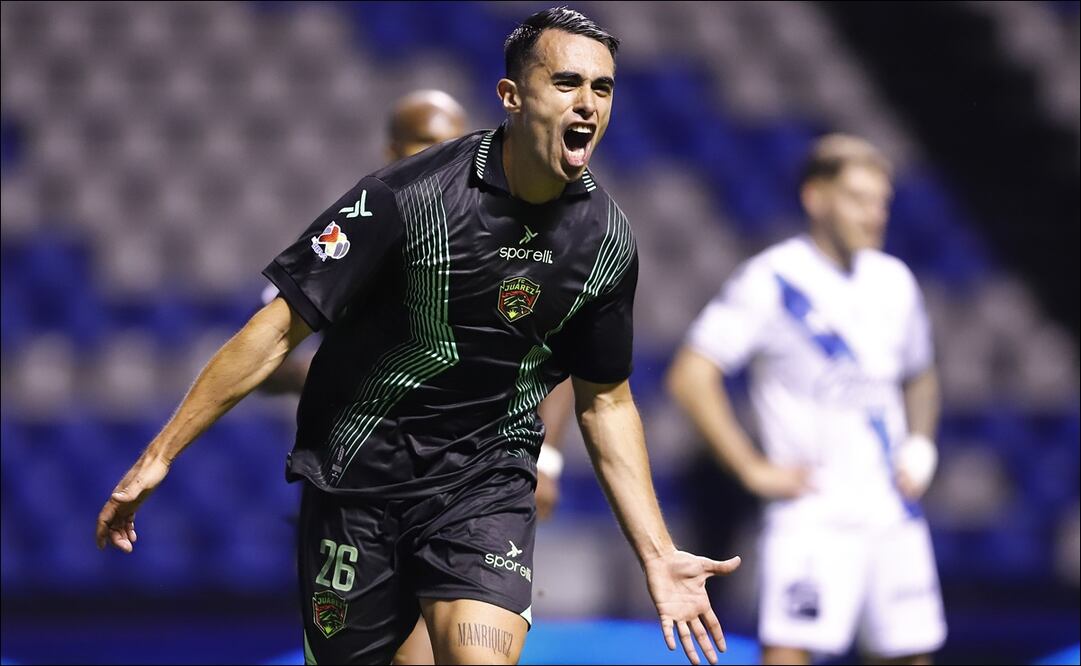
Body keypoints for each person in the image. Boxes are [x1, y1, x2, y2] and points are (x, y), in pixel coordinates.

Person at [96, 7, 740, 666]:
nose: (587, 104)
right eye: (567, 83)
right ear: (512, 97)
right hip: (357, 481)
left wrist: (657, 556)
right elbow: (275, 330)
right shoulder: (406, 198)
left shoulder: (605, 241)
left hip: (484, 484)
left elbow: (604, 400)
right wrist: (161, 454)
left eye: (601, 88)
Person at [257, 87, 573, 665]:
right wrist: (347, 379)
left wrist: (546, 458)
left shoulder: (501, 239)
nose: (444, 152)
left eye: (453, 139)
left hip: (468, 475)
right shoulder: (357, 229)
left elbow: (555, 355)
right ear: (393, 147)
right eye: (427, 141)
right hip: (360, 476)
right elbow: (268, 346)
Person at [666, 134, 947, 665]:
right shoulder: (772, 281)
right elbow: (690, 375)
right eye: (859, 199)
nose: (875, 214)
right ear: (816, 198)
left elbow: (922, 373)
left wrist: (922, 446)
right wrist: (752, 470)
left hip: (892, 509)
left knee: (911, 654)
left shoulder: (895, 282)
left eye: (882, 202)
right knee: (790, 654)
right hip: (812, 511)